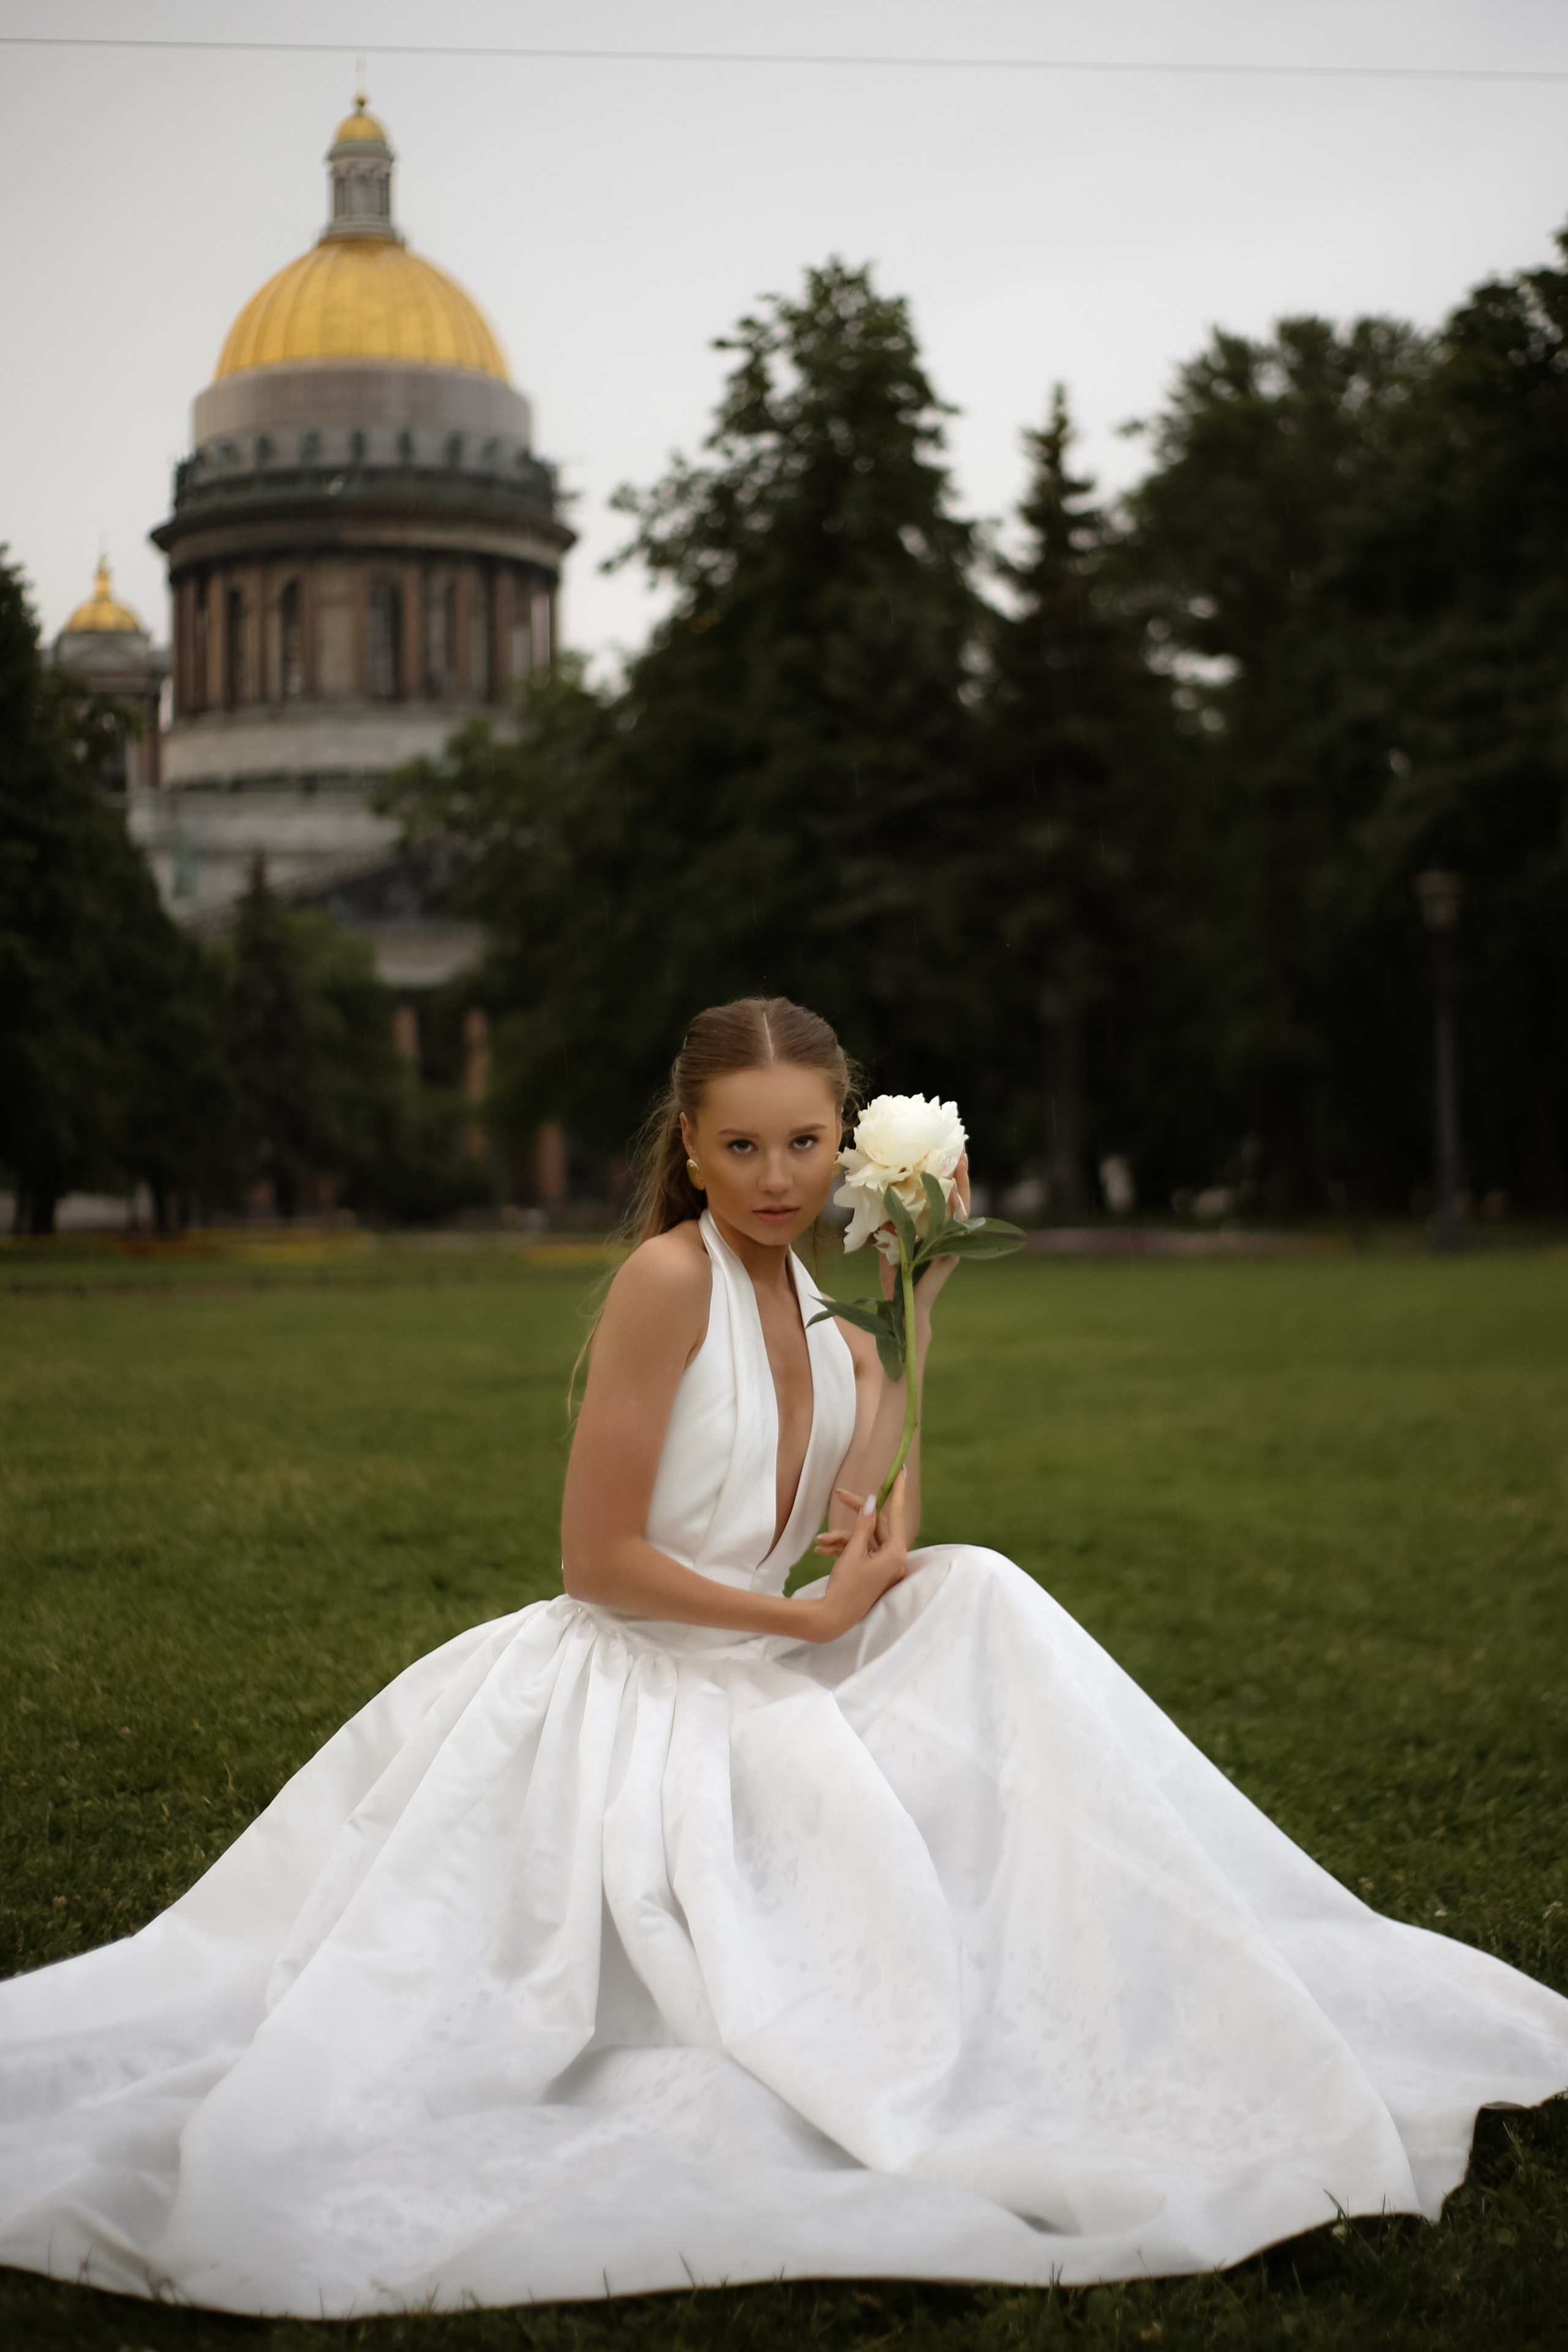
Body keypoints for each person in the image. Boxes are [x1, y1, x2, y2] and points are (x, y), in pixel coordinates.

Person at [1, 996, 1564, 2319]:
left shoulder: (822, 1302)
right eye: (739, 1145)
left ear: (845, 1147)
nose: (774, 1175)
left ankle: (1168, 1954)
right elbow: (598, 1560)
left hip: (756, 1661)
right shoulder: (666, 1279)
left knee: (979, 1594)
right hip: (638, 1682)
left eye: (805, 1145)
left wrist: (916, 1312)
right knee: (951, 1633)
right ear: (687, 1146)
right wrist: (807, 1624)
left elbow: (864, 1521)